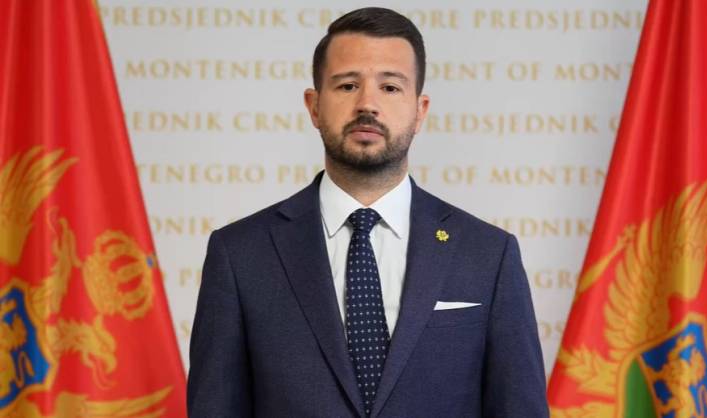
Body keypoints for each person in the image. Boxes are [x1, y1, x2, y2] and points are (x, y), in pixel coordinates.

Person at [187, 7, 548, 417]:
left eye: (390, 87)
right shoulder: (240, 255)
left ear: (420, 110)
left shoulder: (488, 255)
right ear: (314, 106)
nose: (367, 104)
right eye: (347, 85)